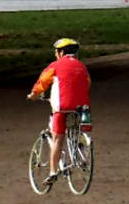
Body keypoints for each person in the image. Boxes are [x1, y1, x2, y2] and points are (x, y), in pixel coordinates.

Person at [27, 38, 91, 186]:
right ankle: (83, 153)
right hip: (82, 107)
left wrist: (33, 95)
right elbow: (87, 83)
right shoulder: (82, 67)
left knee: (57, 140)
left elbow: (41, 84)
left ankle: (53, 172)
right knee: (78, 130)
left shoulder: (55, 66)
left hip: (62, 107)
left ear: (61, 52)